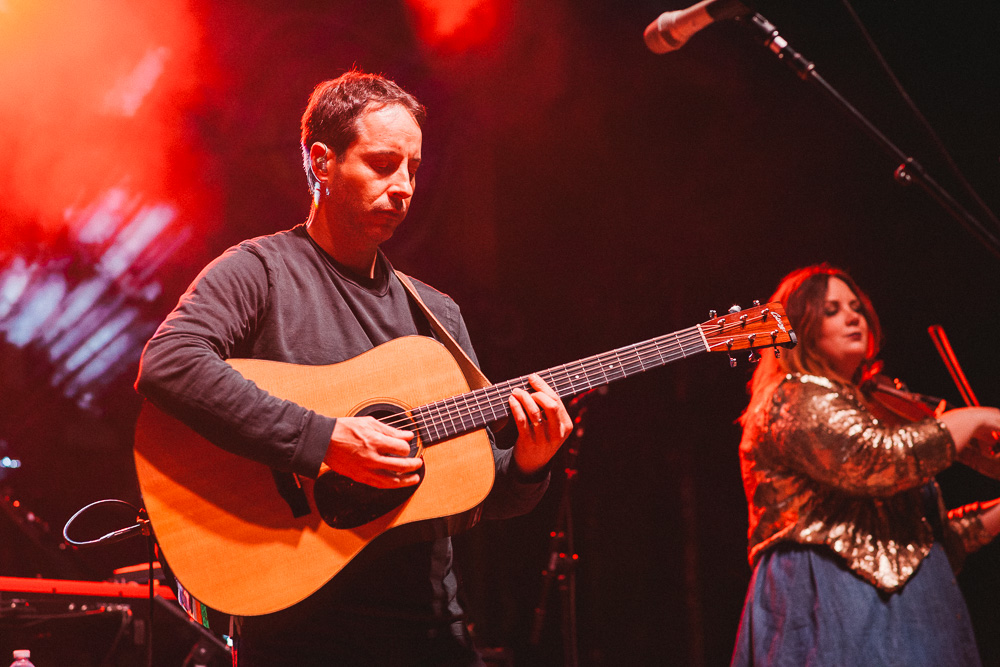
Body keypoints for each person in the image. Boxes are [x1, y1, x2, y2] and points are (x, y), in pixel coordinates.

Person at [135, 70, 572, 666]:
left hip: (430, 634)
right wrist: (324, 440)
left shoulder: (436, 313)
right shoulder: (260, 271)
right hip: (298, 633)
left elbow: (474, 493)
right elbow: (169, 361)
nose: (403, 187)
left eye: (413, 169)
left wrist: (527, 466)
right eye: (383, 163)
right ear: (322, 161)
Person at [731, 264, 1000, 666]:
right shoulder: (793, 399)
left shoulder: (868, 406)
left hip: (919, 606)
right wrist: (974, 418)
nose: (853, 316)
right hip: (830, 600)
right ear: (800, 327)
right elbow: (881, 460)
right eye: (832, 310)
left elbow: (928, 541)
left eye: (856, 307)